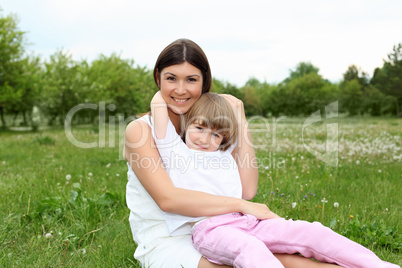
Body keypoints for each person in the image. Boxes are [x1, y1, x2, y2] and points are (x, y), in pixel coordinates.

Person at [124, 38, 349, 268]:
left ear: (204, 82)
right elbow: (168, 199)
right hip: (167, 241)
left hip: (218, 230)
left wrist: (241, 122)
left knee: (282, 259)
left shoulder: (212, 130)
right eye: (171, 78)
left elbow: (247, 189)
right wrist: (242, 206)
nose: (180, 90)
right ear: (157, 77)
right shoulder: (141, 130)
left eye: (191, 80)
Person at [150, 91, 399, 268]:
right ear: (185, 126)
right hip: (211, 230)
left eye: (216, 133)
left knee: (311, 232)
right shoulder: (175, 152)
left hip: (248, 222)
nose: (206, 139)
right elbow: (159, 100)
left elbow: (243, 151)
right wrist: (199, 92)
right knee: (252, 251)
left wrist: (238, 111)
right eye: (199, 127)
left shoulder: (223, 152)